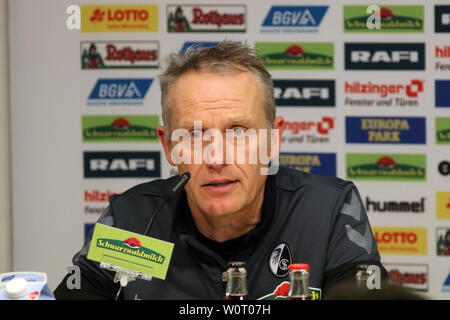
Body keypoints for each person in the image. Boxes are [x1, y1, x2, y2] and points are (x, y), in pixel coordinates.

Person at [54, 41, 385, 300]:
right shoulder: (133, 220)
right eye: (195, 135)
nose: (216, 157)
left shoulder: (327, 210)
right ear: (169, 145)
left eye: (238, 132)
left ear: (273, 139)